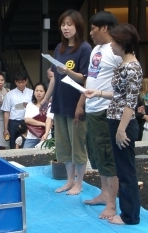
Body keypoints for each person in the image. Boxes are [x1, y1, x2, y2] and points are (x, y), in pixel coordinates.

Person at [85, 23, 142, 225]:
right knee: (122, 168)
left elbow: (130, 101)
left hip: (123, 123)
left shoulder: (133, 67)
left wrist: (121, 129)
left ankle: (130, 216)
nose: (111, 45)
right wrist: (98, 92)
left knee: (126, 171)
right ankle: (128, 212)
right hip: (115, 119)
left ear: (123, 43)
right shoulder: (123, 65)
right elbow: (119, 94)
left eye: (115, 41)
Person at [40, 10, 92, 195]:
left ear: (78, 26)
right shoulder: (59, 49)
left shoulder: (85, 49)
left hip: (76, 103)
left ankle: (79, 183)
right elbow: (55, 77)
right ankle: (69, 181)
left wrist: (67, 71)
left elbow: (85, 79)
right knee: (64, 145)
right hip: (60, 103)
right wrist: (46, 99)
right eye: (63, 24)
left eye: (69, 24)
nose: (66, 28)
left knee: (78, 145)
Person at [82, 11, 122, 219]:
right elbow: (91, 77)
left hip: (106, 109)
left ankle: (112, 204)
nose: (90, 33)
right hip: (92, 107)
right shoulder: (96, 49)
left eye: (93, 29)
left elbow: (122, 84)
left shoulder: (116, 50)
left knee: (107, 156)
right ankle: (104, 193)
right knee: (97, 154)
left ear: (105, 28)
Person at [1, 71, 33, 149]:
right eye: (19, 82)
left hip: (27, 122)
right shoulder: (9, 94)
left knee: (27, 143)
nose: (21, 84)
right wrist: (5, 128)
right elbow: (6, 112)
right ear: (15, 82)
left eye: (23, 82)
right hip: (13, 122)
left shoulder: (32, 93)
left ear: (26, 81)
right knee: (13, 144)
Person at [24, 82, 54, 148]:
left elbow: (49, 119)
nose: (38, 93)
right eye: (36, 90)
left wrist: (46, 134)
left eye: (41, 91)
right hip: (31, 137)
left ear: (45, 93)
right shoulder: (30, 105)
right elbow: (27, 120)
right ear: (34, 92)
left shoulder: (49, 106)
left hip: (46, 137)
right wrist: (43, 124)